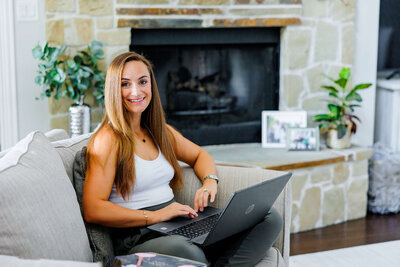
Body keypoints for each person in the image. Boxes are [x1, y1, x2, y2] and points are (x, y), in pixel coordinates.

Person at [83, 52, 282, 266]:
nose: (136, 91)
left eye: (143, 81)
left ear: (151, 85)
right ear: (113, 89)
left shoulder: (159, 132)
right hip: (137, 235)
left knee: (268, 215)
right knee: (189, 253)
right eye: (125, 84)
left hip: (176, 222)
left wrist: (209, 182)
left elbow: (199, 155)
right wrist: (155, 216)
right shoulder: (107, 140)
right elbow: (93, 208)